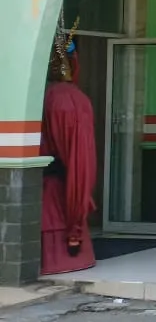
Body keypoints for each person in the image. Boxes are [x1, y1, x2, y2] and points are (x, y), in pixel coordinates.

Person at [40, 15, 97, 274]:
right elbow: (79, 163)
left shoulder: (56, 97)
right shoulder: (70, 98)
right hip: (56, 189)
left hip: (51, 189)